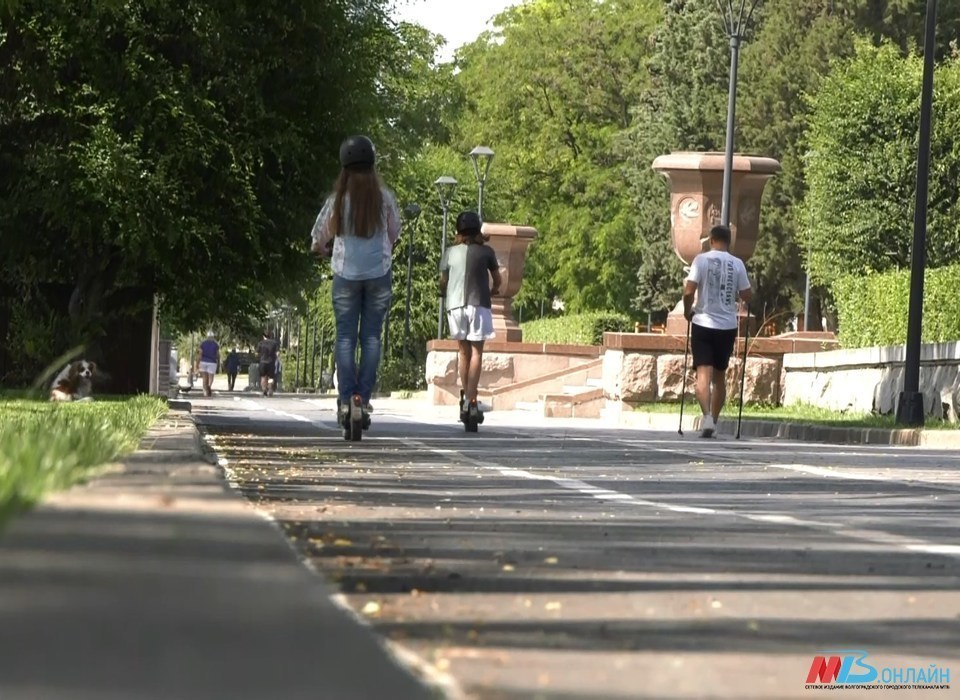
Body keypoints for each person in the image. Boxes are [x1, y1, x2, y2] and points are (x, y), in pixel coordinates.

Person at [310, 135, 400, 427]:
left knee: (345, 337)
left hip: (345, 276)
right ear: (373, 166)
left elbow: (318, 235)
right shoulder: (385, 198)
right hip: (379, 274)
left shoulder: (337, 200)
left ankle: (347, 401)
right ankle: (363, 398)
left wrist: (321, 249)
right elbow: (394, 231)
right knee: (372, 337)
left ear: (344, 169)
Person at [682, 224, 753, 438]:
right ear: (728, 241)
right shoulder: (737, 263)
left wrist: (688, 310)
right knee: (720, 376)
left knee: (703, 372)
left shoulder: (701, 260)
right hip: (727, 325)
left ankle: (707, 418)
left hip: (703, 322)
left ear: (711, 240)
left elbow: (689, 290)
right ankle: (715, 417)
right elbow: (747, 294)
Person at [439, 211, 502, 423]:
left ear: (458, 231)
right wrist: (494, 290)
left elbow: (443, 280)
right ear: (478, 230)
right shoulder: (487, 252)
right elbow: (498, 279)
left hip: (455, 306)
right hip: (479, 304)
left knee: (463, 352)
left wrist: (443, 291)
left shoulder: (449, 252)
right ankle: (472, 400)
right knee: (476, 352)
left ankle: (466, 398)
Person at [257, 329, 280, 397]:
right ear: (270, 336)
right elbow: (278, 353)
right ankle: (270, 389)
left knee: (263, 376)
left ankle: (264, 389)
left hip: (263, 362)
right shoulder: (274, 343)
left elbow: (257, 353)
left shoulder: (261, 343)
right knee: (271, 377)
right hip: (271, 362)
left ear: (263, 336)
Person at [197, 331, 219, 397]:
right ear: (213, 337)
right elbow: (217, 355)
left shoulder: (203, 344)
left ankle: (205, 391)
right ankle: (209, 386)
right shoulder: (215, 344)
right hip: (212, 362)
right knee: (211, 377)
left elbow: (200, 354)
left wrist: (198, 362)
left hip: (203, 361)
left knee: (204, 378)